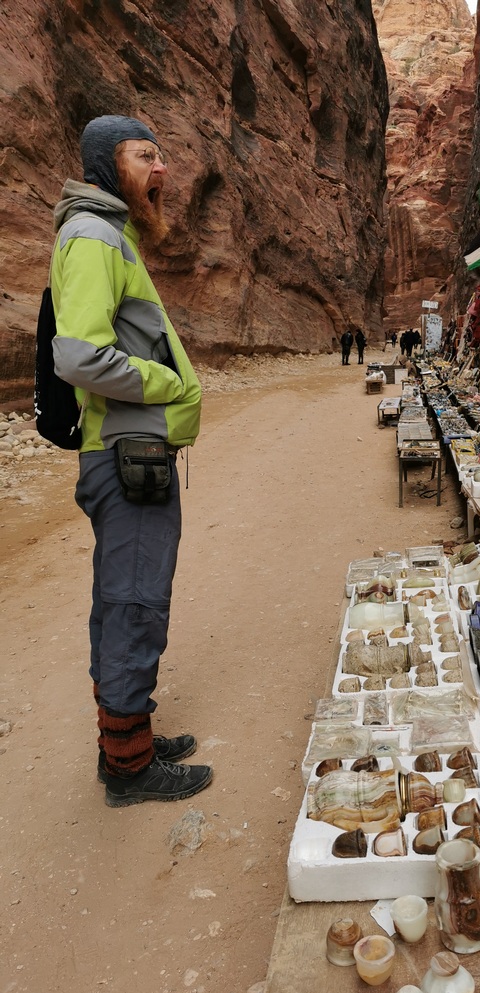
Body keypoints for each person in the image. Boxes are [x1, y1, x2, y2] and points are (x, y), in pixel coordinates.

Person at [50, 114, 212, 807]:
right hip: (128, 459)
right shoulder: (94, 234)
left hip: (128, 454)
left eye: (160, 155)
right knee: (135, 604)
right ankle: (128, 769)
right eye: (144, 155)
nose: (161, 168)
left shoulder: (110, 233)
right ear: (104, 164)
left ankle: (129, 734)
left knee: (123, 600)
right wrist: (168, 384)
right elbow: (80, 355)